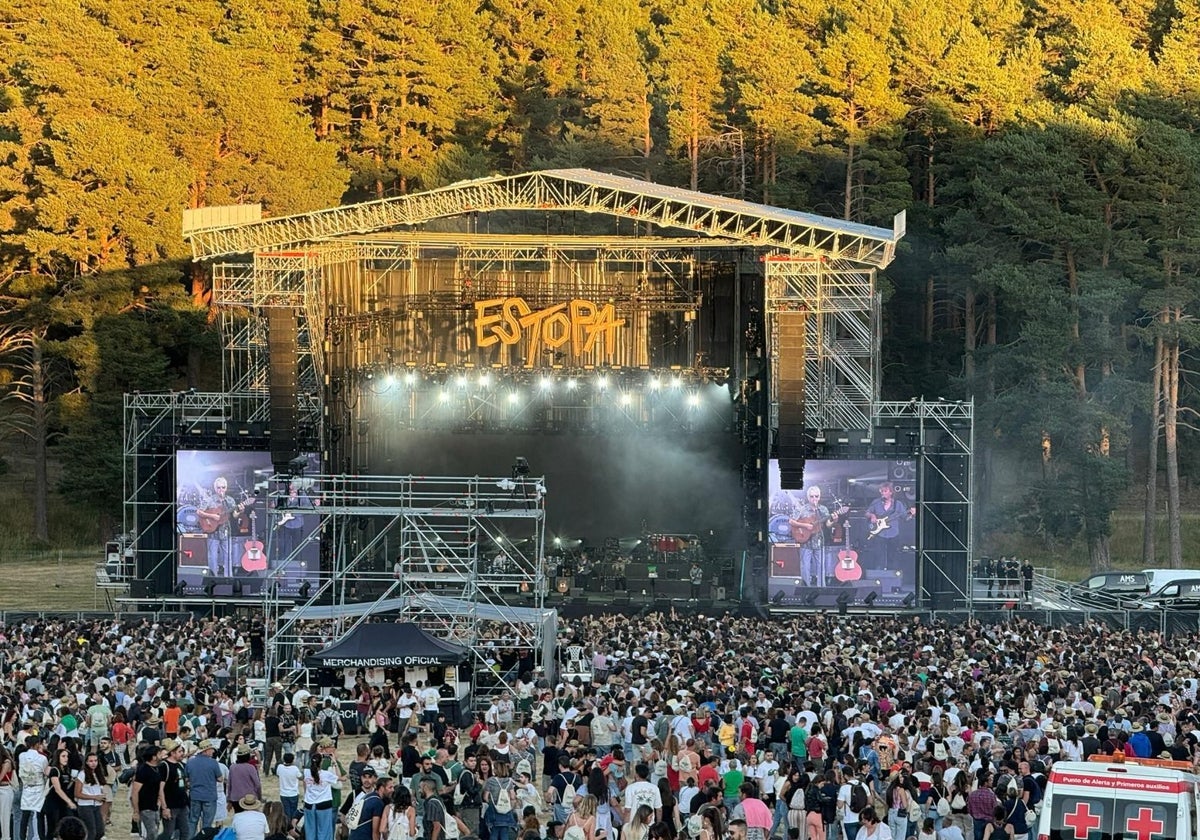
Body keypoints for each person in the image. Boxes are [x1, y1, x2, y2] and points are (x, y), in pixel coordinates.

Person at [198, 477, 246, 576]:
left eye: (223, 487)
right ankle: (213, 577)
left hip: (225, 530)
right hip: (213, 531)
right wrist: (212, 516)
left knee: (228, 555)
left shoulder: (229, 500)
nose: (221, 490)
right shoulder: (209, 499)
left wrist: (240, 511)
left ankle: (228, 576)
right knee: (213, 556)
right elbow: (199, 511)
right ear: (215, 488)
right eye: (218, 487)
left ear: (226, 488)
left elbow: (234, 515)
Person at [792, 487, 840, 587]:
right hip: (805, 542)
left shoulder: (823, 509)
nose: (814, 498)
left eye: (816, 496)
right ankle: (806, 588)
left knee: (821, 566)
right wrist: (805, 526)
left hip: (819, 541)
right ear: (808, 497)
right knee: (805, 567)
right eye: (812, 496)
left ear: (819, 497)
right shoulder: (802, 509)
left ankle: (821, 588)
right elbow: (791, 521)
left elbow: (827, 524)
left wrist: (834, 520)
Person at [864, 482, 914, 572]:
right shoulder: (876, 502)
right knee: (879, 557)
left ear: (891, 492)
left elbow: (905, 518)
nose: (883, 493)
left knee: (893, 558)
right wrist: (872, 515)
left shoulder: (898, 504)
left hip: (893, 534)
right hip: (879, 534)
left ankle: (892, 579)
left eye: (885, 491)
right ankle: (878, 577)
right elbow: (867, 513)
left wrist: (912, 514)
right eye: (881, 491)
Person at [187, 739, 223, 835]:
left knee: (192, 821)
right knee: (207, 823)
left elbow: (187, 779)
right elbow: (220, 778)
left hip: (195, 795)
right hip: (209, 796)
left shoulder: (190, 762)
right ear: (206, 750)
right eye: (211, 749)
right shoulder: (213, 763)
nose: (213, 752)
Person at [158, 739, 191, 840]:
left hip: (183, 804)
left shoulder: (181, 765)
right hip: (170, 805)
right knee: (168, 833)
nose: (182, 754)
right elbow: (160, 789)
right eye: (180, 751)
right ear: (172, 753)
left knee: (185, 832)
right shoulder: (164, 766)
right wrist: (164, 807)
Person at [131, 744, 165, 840]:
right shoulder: (143, 770)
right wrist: (136, 811)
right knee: (151, 833)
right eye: (159, 754)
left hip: (154, 806)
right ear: (153, 757)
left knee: (155, 831)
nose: (161, 755)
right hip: (145, 807)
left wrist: (159, 802)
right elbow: (135, 792)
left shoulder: (157, 769)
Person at [72, 752, 105, 840]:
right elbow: (77, 793)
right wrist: (94, 797)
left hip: (97, 805)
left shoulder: (98, 773)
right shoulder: (82, 774)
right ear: (86, 762)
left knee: (100, 831)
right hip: (85, 806)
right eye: (91, 761)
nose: (93, 763)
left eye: (95, 761)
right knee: (91, 831)